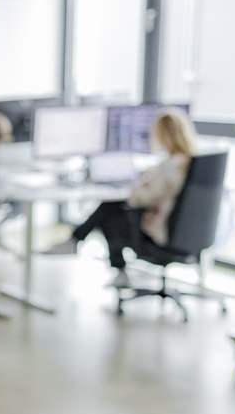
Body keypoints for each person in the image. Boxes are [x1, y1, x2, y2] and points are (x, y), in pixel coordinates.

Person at [42, 107, 199, 287]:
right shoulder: (194, 163)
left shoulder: (169, 167)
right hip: (186, 233)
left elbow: (137, 199)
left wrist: (143, 180)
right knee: (113, 208)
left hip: (162, 233)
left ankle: (80, 244)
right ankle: (78, 242)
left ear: (164, 135)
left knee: (111, 215)